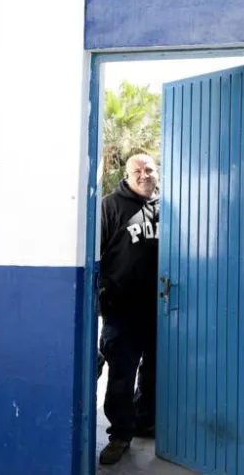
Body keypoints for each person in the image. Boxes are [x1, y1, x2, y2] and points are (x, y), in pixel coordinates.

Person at [97, 154, 160, 465]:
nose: (144, 175)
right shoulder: (111, 205)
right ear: (127, 175)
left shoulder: (167, 206)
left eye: (149, 169)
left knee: (155, 372)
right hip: (122, 309)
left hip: (162, 307)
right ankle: (120, 435)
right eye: (137, 170)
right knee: (121, 374)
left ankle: (145, 422)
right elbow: (96, 255)